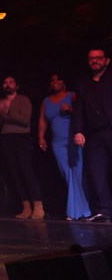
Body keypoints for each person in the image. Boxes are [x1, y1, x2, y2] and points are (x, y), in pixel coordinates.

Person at [38, 73, 90, 220]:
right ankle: (84, 210)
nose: (55, 82)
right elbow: (42, 120)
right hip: (57, 143)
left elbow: (83, 112)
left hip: (73, 138)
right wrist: (40, 137)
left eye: (58, 79)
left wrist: (70, 110)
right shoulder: (46, 101)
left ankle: (74, 212)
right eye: (52, 80)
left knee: (76, 173)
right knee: (67, 174)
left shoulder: (72, 95)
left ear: (64, 82)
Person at [0, 76, 44, 219]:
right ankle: (26, 206)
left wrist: (7, 112)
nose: (7, 85)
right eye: (5, 82)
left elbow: (25, 120)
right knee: (15, 173)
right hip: (6, 139)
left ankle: (38, 206)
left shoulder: (23, 99)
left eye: (11, 82)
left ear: (16, 85)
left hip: (21, 138)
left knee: (26, 170)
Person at [72, 46, 112, 222]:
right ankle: (105, 210)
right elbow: (79, 109)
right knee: (96, 172)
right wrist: (78, 130)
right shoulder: (83, 83)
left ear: (107, 61)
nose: (94, 60)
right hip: (94, 134)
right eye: (91, 58)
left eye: (98, 57)